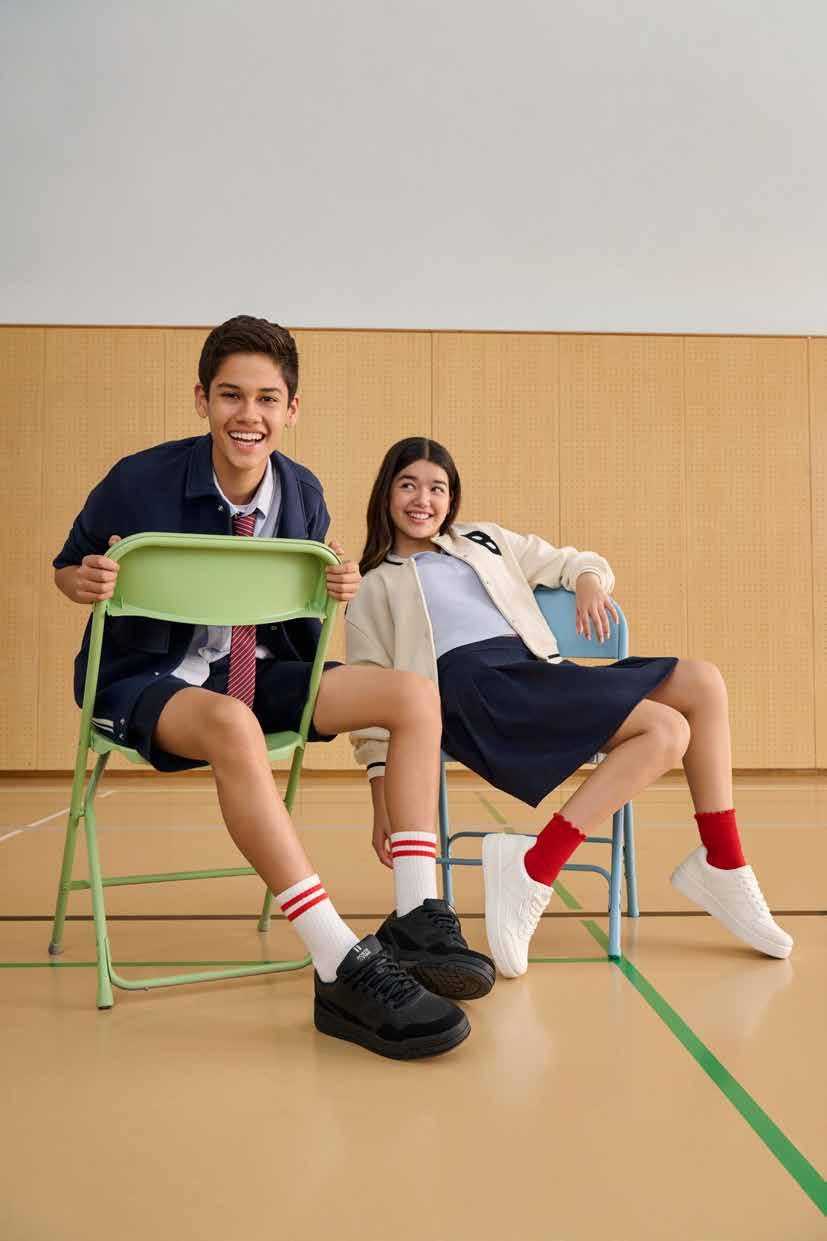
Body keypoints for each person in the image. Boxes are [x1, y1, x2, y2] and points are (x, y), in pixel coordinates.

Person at [52, 317, 478, 1060]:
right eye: (230, 395)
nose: (247, 415)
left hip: (256, 670)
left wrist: (337, 584)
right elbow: (66, 566)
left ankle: (415, 915)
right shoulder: (137, 480)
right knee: (232, 725)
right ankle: (337, 960)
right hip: (147, 679)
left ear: (291, 408)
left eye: (266, 398)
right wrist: (81, 579)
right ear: (202, 399)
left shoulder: (304, 493)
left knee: (413, 693)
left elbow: (301, 604)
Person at [345, 436, 793, 977]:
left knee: (703, 681)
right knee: (666, 731)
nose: (423, 500)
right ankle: (536, 866)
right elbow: (372, 706)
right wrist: (381, 801)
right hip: (476, 693)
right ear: (386, 494)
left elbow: (575, 561)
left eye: (437, 488)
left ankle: (723, 860)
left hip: (534, 672)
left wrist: (587, 583)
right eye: (408, 485)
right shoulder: (372, 584)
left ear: (452, 497)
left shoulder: (484, 540)